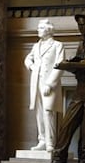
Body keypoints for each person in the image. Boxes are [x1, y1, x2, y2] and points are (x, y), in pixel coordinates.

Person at [42, 13, 85, 163]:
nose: (81, 27)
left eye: (83, 24)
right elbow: (78, 62)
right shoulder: (81, 44)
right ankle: (59, 159)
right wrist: (68, 65)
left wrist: (68, 65)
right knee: (66, 125)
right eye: (79, 25)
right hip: (80, 89)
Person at [24, 19, 65, 152]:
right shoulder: (36, 45)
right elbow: (28, 58)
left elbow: (60, 65)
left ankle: (50, 142)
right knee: (39, 112)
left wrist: (50, 84)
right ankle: (42, 140)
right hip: (36, 82)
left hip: (48, 83)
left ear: (48, 30)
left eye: (41, 28)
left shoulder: (57, 45)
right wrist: (31, 65)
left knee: (49, 112)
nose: (38, 30)